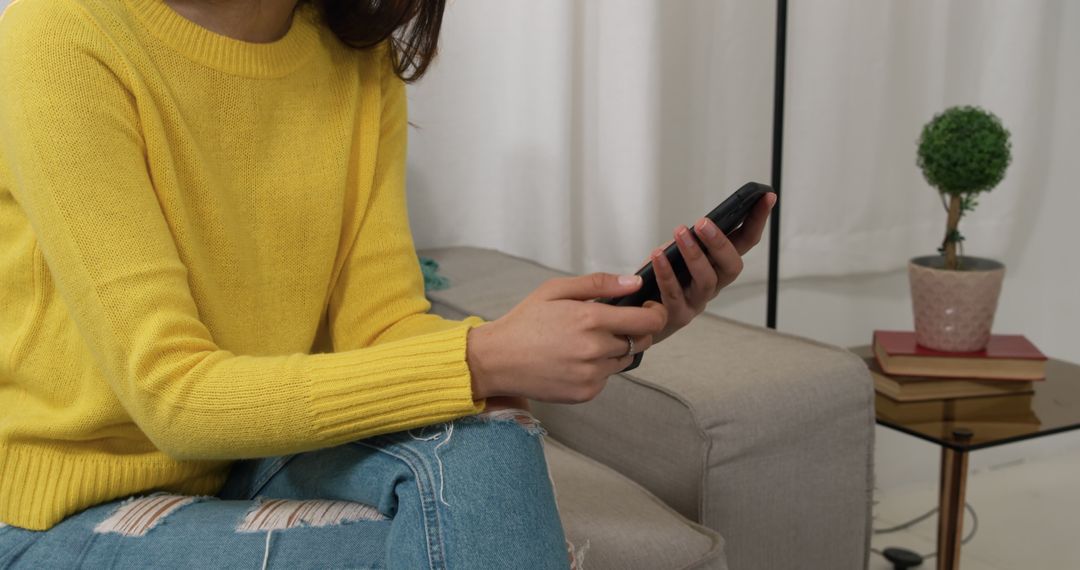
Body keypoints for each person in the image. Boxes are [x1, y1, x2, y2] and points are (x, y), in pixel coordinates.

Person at [0, 0, 776, 567]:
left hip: (255, 453)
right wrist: (481, 358)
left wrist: (594, 332)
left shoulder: (351, 58)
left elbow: (381, 329)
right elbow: (171, 396)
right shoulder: (61, 37)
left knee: (488, 437)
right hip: (65, 509)